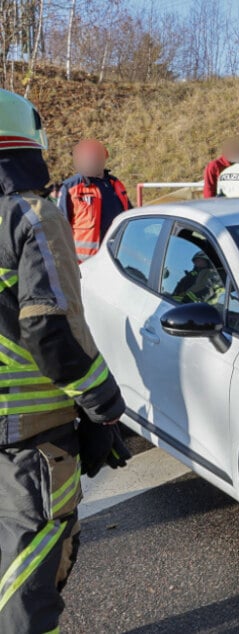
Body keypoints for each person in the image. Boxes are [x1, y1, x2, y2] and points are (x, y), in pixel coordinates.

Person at [0, 88, 128, 634]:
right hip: (26, 439)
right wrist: (104, 407)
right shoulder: (31, 214)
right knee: (29, 573)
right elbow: (50, 330)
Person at [58, 139, 133, 263]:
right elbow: (60, 229)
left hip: (118, 258)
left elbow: (129, 216)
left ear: (105, 156)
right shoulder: (71, 188)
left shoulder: (116, 184)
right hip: (86, 264)